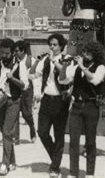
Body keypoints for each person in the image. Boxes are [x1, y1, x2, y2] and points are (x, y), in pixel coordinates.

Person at [59, 41, 105, 178]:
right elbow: (63, 81)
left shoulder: (100, 67)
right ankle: (74, 172)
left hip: (91, 106)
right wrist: (64, 66)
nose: (84, 55)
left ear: (95, 53)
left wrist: (81, 66)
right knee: (74, 141)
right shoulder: (76, 68)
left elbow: (95, 80)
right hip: (76, 106)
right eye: (83, 52)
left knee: (90, 141)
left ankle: (90, 173)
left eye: (88, 52)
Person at [30, 33, 71, 178]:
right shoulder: (46, 60)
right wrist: (37, 61)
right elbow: (33, 74)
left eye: (55, 45)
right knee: (42, 132)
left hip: (61, 100)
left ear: (61, 46)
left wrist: (56, 62)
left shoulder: (67, 60)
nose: (52, 47)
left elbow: (67, 77)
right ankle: (55, 158)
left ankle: (55, 167)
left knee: (59, 135)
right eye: (50, 45)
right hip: (47, 99)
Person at [0, 38, 29, 176]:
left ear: (13, 52)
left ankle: (4, 164)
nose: (4, 56)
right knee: (3, 131)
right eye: (2, 53)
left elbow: (25, 85)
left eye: (7, 54)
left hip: (13, 100)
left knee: (7, 132)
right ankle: (12, 160)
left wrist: (12, 78)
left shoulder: (20, 65)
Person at [13, 40, 37, 144]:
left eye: (17, 51)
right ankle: (16, 137)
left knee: (26, 113)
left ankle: (32, 129)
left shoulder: (31, 60)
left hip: (28, 89)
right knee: (14, 114)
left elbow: (36, 77)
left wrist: (37, 93)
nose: (15, 53)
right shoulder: (14, 61)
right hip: (16, 88)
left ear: (23, 51)